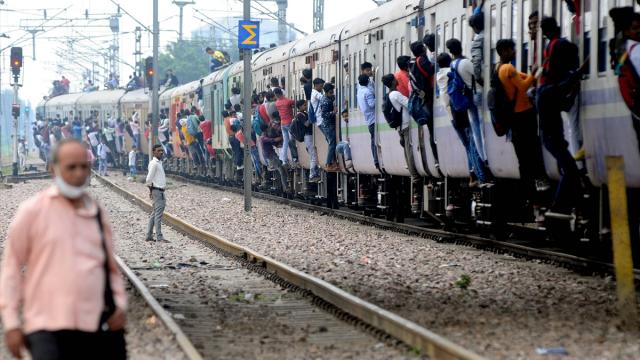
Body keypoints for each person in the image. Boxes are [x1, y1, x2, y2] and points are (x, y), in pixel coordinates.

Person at [0, 139, 127, 360]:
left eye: (84, 167)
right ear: (53, 169)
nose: (79, 174)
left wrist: (119, 304)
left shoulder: (97, 214)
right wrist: (11, 323)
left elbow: (110, 268)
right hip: (46, 326)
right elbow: (11, 269)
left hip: (93, 324)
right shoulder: (32, 212)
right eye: (71, 167)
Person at [537, 16, 584, 214]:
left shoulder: (544, 91)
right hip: (553, 139)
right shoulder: (547, 92)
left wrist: (572, 87)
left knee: (569, 169)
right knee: (571, 170)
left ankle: (563, 206)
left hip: (554, 139)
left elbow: (563, 102)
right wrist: (577, 75)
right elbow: (562, 91)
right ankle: (558, 207)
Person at [495, 39, 550, 196]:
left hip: (514, 117)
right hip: (523, 114)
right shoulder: (508, 68)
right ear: (504, 51)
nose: (514, 52)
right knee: (532, 149)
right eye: (512, 50)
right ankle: (537, 184)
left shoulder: (499, 68)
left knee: (523, 155)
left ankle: (528, 190)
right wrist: (533, 74)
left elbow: (522, 78)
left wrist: (534, 74)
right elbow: (524, 85)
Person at [436, 52, 489, 187]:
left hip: (452, 116)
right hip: (459, 112)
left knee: (467, 145)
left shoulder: (439, 76)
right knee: (472, 144)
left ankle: (473, 174)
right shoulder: (452, 71)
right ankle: (480, 175)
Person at [446, 38, 491, 183]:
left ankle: (482, 155)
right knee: (479, 127)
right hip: (476, 94)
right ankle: (484, 155)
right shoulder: (465, 63)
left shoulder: (452, 64)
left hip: (467, 98)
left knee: (475, 128)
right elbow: (479, 75)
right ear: (460, 47)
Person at [382, 73, 420, 185]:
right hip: (405, 125)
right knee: (409, 150)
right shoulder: (396, 94)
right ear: (393, 82)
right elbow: (409, 104)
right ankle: (415, 176)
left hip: (399, 127)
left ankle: (413, 174)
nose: (396, 79)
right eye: (395, 78)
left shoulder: (389, 95)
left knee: (406, 150)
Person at [409, 41, 440, 168]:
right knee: (432, 128)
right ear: (422, 49)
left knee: (431, 129)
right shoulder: (421, 61)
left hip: (423, 98)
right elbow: (431, 70)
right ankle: (437, 156)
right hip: (428, 97)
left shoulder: (413, 63)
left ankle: (436, 158)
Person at [469, 12, 489, 163]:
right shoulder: (489, 36)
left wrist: (479, 79)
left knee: (478, 125)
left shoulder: (477, 39)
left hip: (479, 90)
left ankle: (484, 157)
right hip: (485, 89)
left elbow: (476, 63)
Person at [356, 74, 379, 169]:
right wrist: (378, 98)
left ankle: (376, 160)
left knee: (373, 140)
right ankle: (376, 160)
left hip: (368, 120)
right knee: (374, 140)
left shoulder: (359, 92)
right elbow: (372, 104)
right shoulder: (367, 92)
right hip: (373, 118)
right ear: (368, 81)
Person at [146, 144, 167, 242]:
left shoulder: (158, 163)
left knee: (154, 214)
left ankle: (149, 235)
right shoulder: (154, 163)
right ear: (154, 152)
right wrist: (152, 190)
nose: (161, 152)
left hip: (158, 191)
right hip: (157, 191)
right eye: (159, 151)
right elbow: (148, 179)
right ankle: (159, 236)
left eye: (162, 151)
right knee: (158, 214)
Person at [295, 100, 319, 182]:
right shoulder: (299, 115)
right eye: (304, 105)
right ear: (300, 107)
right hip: (307, 136)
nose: (306, 106)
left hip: (309, 136)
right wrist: (311, 117)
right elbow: (306, 124)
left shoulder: (304, 114)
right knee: (313, 156)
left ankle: (313, 173)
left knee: (313, 155)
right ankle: (312, 175)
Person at [260, 121, 288, 190]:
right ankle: (285, 188)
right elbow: (274, 140)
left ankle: (280, 187)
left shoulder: (264, 136)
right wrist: (284, 136)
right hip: (271, 156)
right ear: (266, 129)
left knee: (280, 169)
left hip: (271, 155)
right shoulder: (264, 137)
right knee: (281, 170)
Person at [274, 88, 296, 165]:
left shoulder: (277, 103)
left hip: (282, 123)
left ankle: (284, 160)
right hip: (289, 123)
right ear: (281, 93)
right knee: (292, 141)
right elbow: (295, 103)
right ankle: (295, 158)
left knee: (285, 142)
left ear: (276, 95)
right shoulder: (288, 101)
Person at [320, 83, 340, 172]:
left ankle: (333, 162)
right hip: (328, 125)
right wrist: (333, 112)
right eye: (331, 92)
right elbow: (323, 114)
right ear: (327, 92)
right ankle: (328, 164)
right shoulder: (325, 101)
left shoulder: (327, 98)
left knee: (332, 144)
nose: (332, 94)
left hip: (328, 125)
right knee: (332, 144)